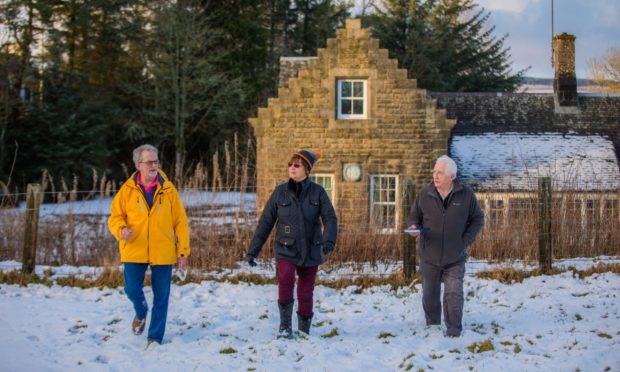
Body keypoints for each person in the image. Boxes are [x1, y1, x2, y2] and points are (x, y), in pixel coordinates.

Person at [247, 149, 338, 338]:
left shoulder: (318, 193)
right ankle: (285, 327)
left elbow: (330, 218)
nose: (292, 168)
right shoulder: (280, 193)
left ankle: (304, 330)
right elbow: (266, 222)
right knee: (286, 279)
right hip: (286, 248)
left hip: (312, 249)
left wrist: (328, 240)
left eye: (296, 165)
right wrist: (253, 251)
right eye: (290, 164)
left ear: (307, 170)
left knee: (306, 292)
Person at [108, 144, 190, 347]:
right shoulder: (126, 191)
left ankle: (154, 338)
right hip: (134, 249)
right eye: (150, 162)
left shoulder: (169, 190)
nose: (154, 165)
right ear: (138, 165)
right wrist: (121, 230)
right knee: (131, 289)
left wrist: (182, 252)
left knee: (162, 298)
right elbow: (114, 217)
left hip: (163, 250)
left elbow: (181, 222)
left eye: (156, 161)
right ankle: (141, 311)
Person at [406, 155, 484, 337]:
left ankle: (454, 329)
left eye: (439, 172)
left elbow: (478, 219)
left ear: (452, 176)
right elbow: (413, 216)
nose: (435, 175)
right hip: (429, 255)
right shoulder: (425, 194)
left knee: (453, 293)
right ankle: (432, 327)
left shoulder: (466, 195)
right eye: (434, 171)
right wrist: (413, 227)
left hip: (455, 257)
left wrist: (465, 241)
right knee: (429, 294)